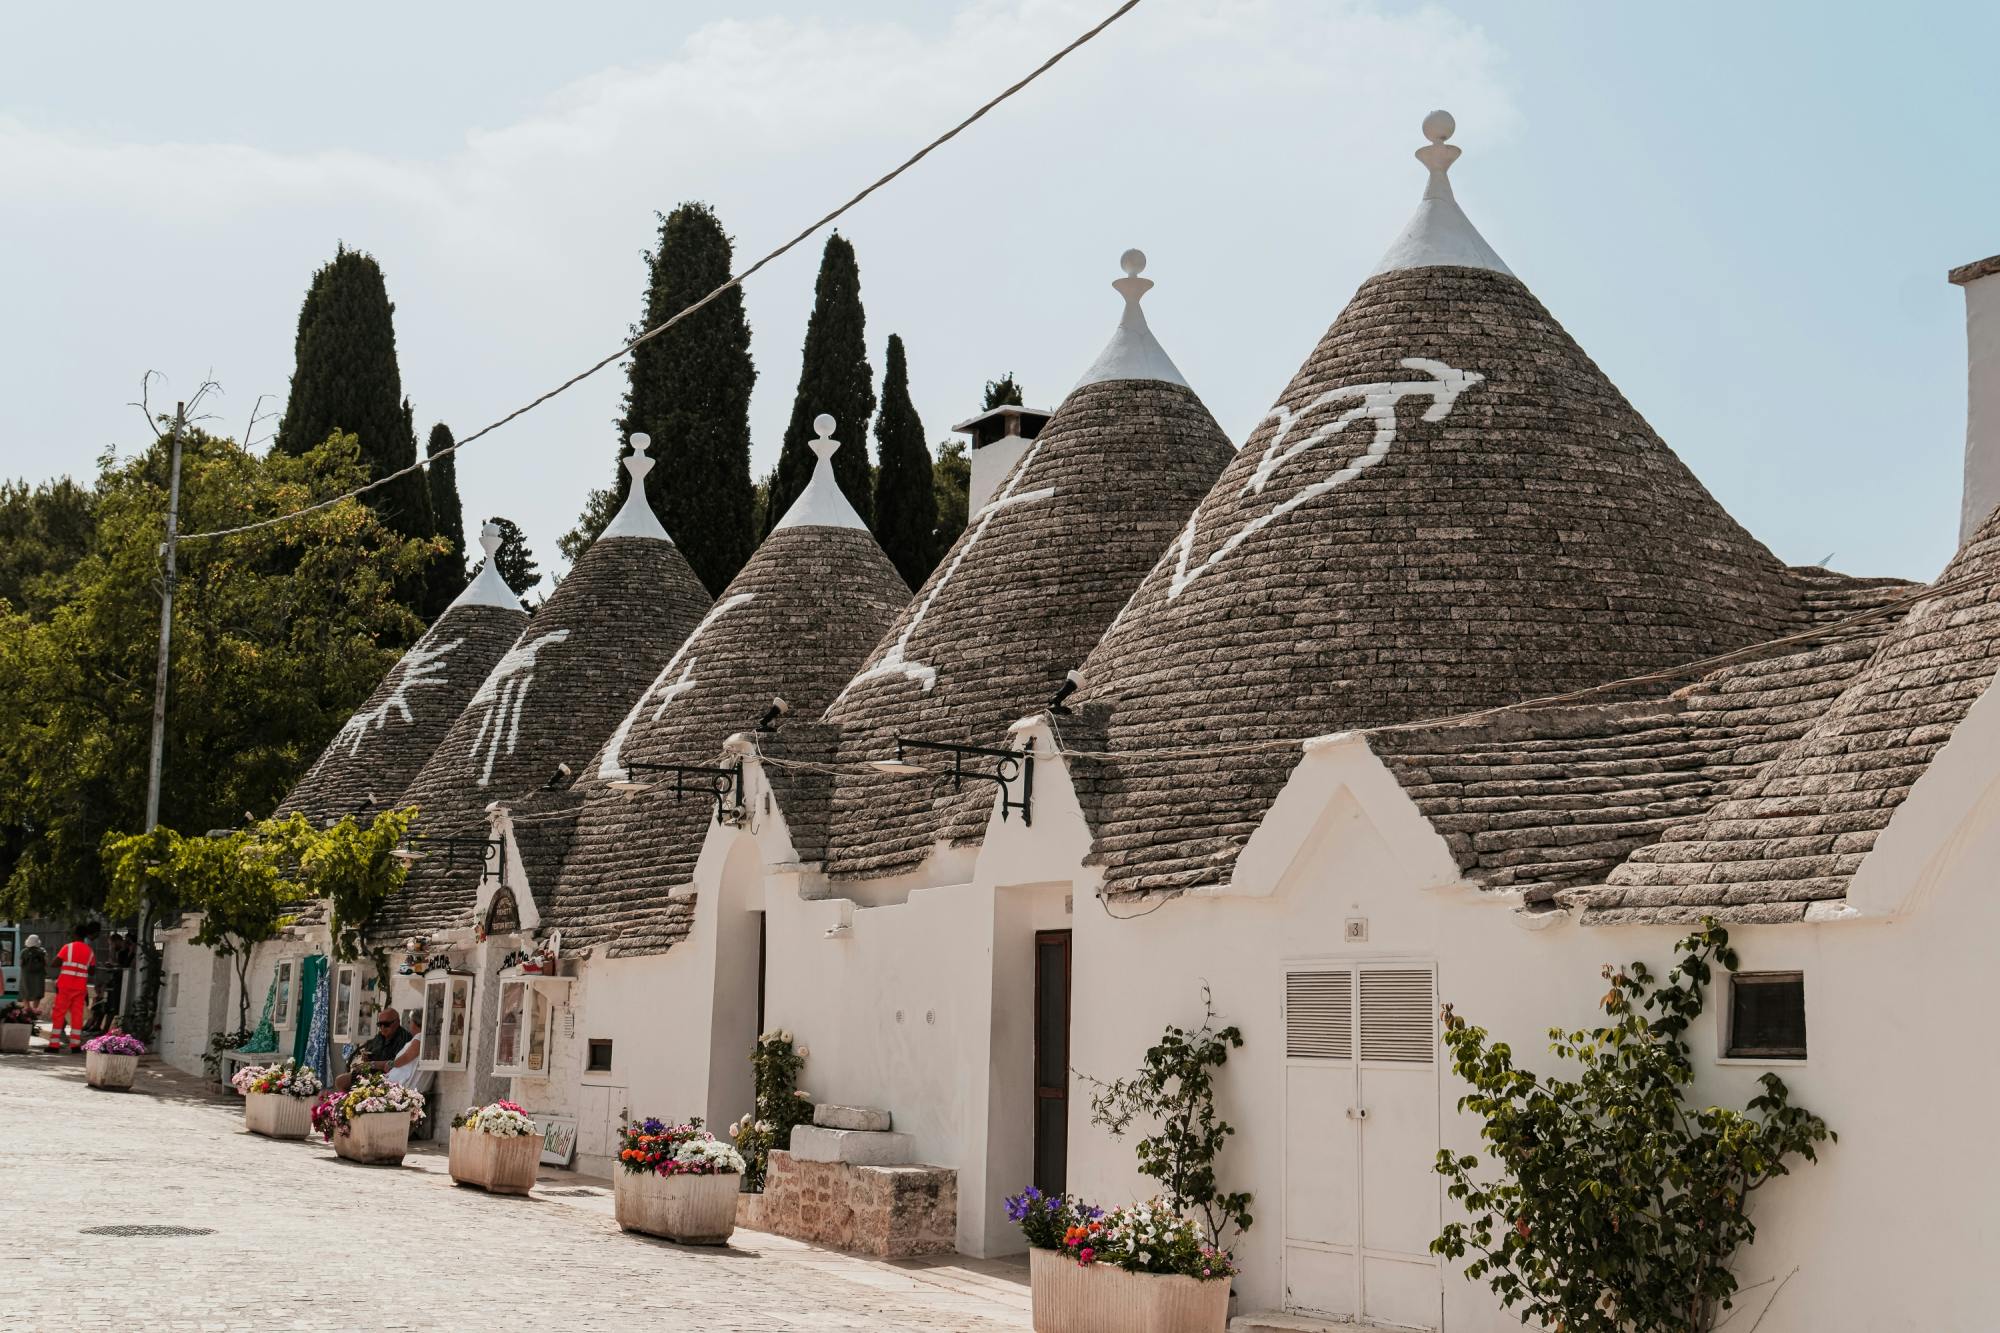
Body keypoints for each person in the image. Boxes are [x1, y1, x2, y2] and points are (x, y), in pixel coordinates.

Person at [46, 922, 98, 1054]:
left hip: (65, 986)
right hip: (80, 987)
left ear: (74, 934)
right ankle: (75, 1045)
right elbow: (92, 971)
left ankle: (54, 1045)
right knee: (77, 1015)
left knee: (59, 1014)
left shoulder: (67, 947)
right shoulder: (89, 951)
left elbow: (54, 963)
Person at [335, 1006, 412, 1091]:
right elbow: (370, 1050)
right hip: (369, 1073)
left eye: (386, 1024)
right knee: (340, 1080)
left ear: (397, 1022)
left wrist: (371, 1064)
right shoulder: (380, 1036)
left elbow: (396, 1063)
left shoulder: (404, 1039)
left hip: (385, 1077)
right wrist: (366, 1058)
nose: (382, 1028)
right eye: (380, 1024)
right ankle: (350, 1102)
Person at [20, 935, 47, 1020]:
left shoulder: (23, 951)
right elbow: (46, 962)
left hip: (26, 975)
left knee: (25, 992)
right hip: (38, 975)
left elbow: (21, 963)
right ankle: (34, 1011)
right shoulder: (42, 951)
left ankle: (27, 1010)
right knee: (37, 993)